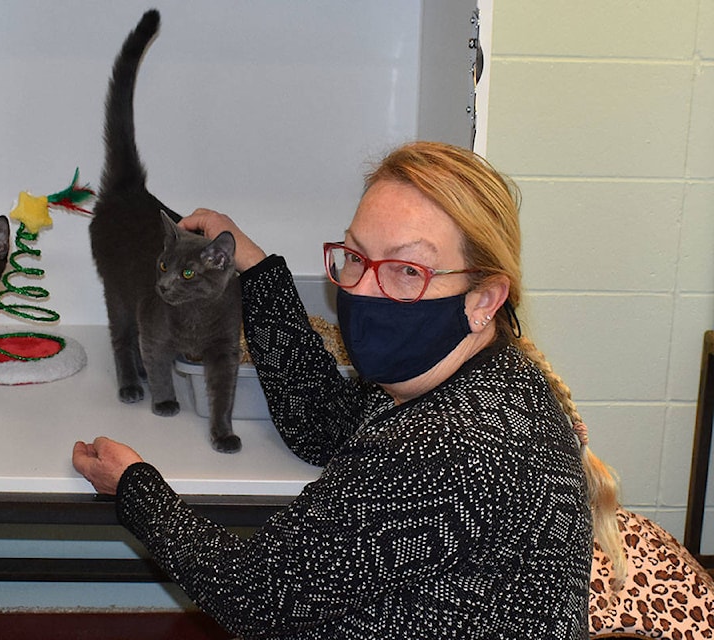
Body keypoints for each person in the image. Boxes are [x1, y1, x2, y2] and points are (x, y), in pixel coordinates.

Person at [72, 141, 623, 638]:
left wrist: (134, 487)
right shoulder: (483, 378)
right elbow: (323, 425)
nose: (363, 288)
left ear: (484, 299)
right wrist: (255, 264)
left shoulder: (445, 445)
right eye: (356, 257)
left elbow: (258, 595)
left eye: (408, 270)